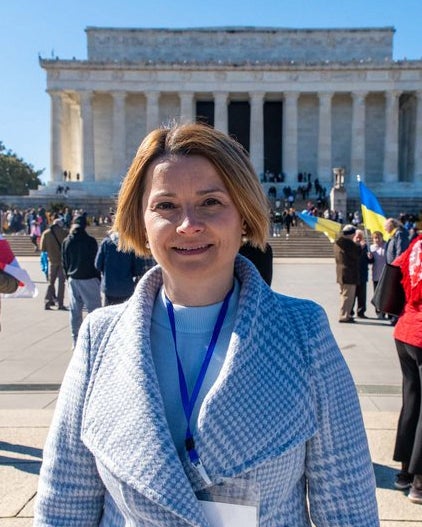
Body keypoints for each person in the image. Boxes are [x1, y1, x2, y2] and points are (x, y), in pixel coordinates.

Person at [34, 123, 378, 526]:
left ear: (245, 216)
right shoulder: (99, 337)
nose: (188, 224)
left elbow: (347, 508)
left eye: (211, 202)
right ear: (140, 221)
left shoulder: (302, 332)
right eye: (165, 206)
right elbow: (65, 502)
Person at [391, 233, 422, 504]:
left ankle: (403, 473)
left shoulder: (415, 244)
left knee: (411, 402)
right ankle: (420, 482)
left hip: (405, 331)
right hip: (421, 334)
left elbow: (395, 267)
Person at [61, 214, 102, 348]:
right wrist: (98, 278)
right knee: (94, 312)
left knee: (75, 311)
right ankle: (95, 339)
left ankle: (76, 340)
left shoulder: (67, 241)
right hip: (89, 278)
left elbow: (64, 261)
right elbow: (95, 262)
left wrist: (68, 276)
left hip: (73, 278)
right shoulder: (90, 241)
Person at [95, 229, 156, 305]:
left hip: (109, 287)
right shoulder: (131, 245)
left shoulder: (106, 243)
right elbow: (138, 269)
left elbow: (98, 265)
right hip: (126, 289)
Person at [39, 214, 68, 310]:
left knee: (51, 283)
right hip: (62, 261)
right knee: (61, 283)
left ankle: (47, 302)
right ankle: (60, 304)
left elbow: (42, 248)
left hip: (52, 261)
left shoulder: (46, 233)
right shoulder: (64, 233)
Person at [334, 224, 361, 323]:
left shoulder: (338, 243)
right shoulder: (349, 243)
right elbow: (356, 255)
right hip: (349, 273)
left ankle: (345, 314)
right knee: (348, 296)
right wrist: (359, 247)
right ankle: (344, 316)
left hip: (341, 273)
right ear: (351, 234)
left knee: (343, 294)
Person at [385, 218, 410, 325]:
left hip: (397, 269)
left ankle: (396, 317)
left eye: (386, 225)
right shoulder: (393, 235)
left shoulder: (399, 234)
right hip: (393, 268)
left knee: (397, 294)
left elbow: (401, 252)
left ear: (392, 225)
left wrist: (396, 267)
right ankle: (393, 316)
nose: (384, 228)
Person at [368, 230, 387, 319]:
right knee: (377, 294)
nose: (377, 240)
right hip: (376, 274)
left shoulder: (386, 246)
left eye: (378, 237)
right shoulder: (371, 248)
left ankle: (384, 311)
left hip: (385, 275)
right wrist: (369, 257)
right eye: (375, 238)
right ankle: (378, 311)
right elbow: (369, 261)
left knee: (385, 294)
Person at [352, 229, 370, 319]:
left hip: (363, 274)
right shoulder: (352, 246)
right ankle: (350, 311)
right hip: (353, 275)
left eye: (360, 237)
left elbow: (369, 260)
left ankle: (361, 312)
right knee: (352, 295)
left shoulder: (365, 246)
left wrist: (370, 257)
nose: (358, 239)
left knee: (362, 295)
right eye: (357, 237)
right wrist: (360, 248)